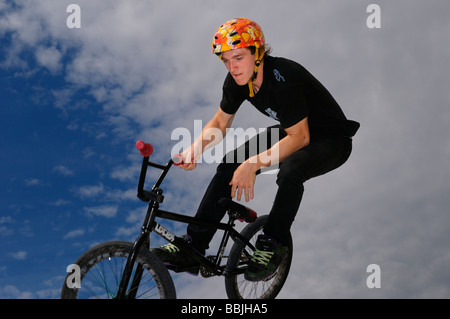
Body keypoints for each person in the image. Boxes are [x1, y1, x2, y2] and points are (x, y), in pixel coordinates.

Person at [152, 17, 360, 281]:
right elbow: (220, 121)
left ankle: (274, 242)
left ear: (258, 52)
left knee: (290, 170)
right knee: (230, 164)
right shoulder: (237, 81)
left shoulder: (285, 78)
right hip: (293, 131)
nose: (232, 67)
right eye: (226, 60)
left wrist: (252, 164)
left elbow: (300, 138)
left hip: (331, 140)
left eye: (238, 57)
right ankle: (194, 245)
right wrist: (195, 149)